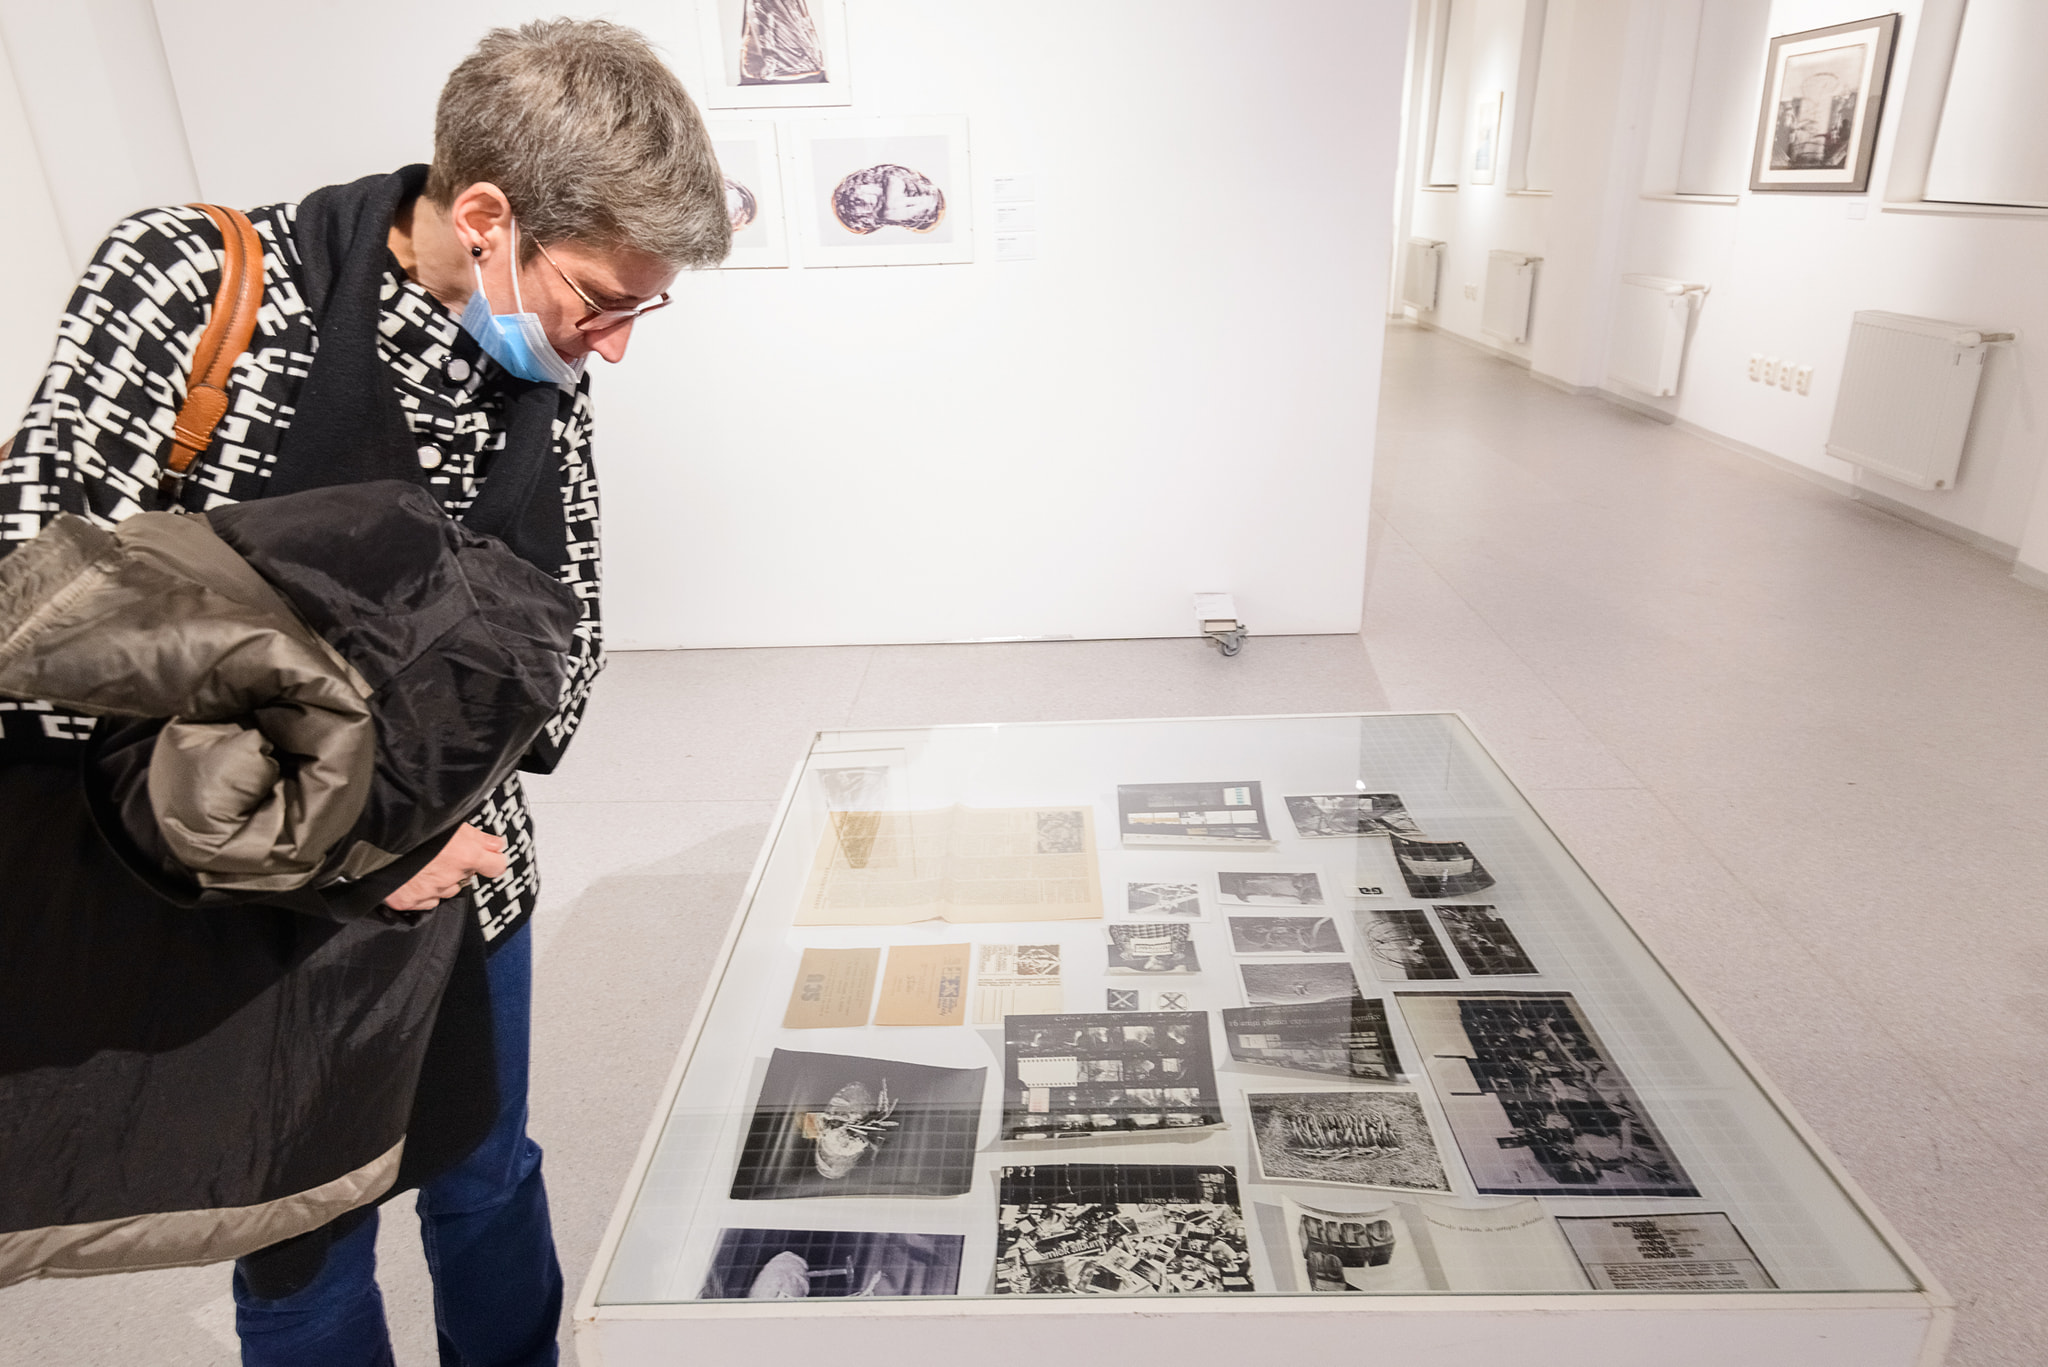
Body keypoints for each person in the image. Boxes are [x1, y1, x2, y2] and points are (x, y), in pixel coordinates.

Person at [0, 19, 729, 1366]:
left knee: (489, 1176)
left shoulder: (535, 354)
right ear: (488, 217)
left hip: (470, 874)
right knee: (304, 1245)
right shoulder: (195, 283)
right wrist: (357, 842)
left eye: (644, 308)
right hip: (251, 901)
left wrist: (447, 787)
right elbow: (36, 606)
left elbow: (562, 636)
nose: (616, 347)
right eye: (602, 301)